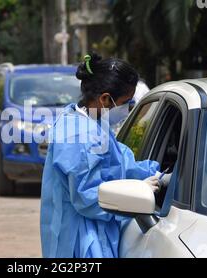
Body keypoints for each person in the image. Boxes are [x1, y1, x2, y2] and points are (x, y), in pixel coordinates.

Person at [40, 54, 169, 258]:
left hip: (95, 231)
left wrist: (159, 173)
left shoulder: (92, 123)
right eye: (127, 102)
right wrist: (138, 189)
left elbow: (120, 162)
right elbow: (88, 198)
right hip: (82, 239)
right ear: (105, 99)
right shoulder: (78, 135)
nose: (128, 110)